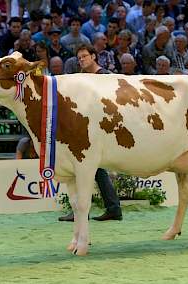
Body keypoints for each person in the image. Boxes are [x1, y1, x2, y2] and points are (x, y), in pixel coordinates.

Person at [59, 43, 122, 222]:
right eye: (79, 58)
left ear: (94, 56)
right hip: (89, 129)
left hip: (103, 128)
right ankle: (111, 208)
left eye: (85, 56)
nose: (82, 60)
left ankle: (90, 210)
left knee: (91, 170)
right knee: (95, 170)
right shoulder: (83, 78)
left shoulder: (104, 76)